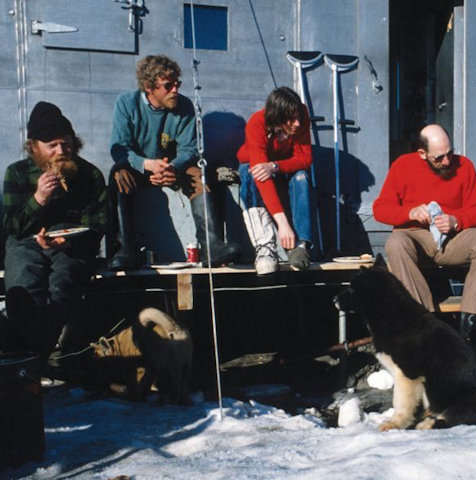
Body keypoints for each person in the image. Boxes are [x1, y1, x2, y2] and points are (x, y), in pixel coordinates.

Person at [108, 54, 241, 270]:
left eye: (177, 83)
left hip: (172, 169)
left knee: (199, 174)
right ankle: (125, 249)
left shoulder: (185, 105)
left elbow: (190, 148)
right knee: (118, 175)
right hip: (139, 169)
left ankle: (211, 246)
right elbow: (120, 147)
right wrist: (147, 164)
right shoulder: (126, 103)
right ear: (149, 87)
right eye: (168, 85)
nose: (175, 90)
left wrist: (173, 167)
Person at [372, 124, 476, 346]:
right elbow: (379, 209)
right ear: (422, 154)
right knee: (396, 242)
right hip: (416, 238)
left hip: (453, 240)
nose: (447, 162)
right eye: (439, 158)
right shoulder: (403, 166)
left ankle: (472, 322)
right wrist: (409, 212)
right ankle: (425, 322)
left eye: (450, 153)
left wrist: (456, 220)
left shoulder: (465, 166)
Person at [2, 101, 107, 358]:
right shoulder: (17, 173)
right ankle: (26, 357)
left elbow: (98, 224)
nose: (61, 151)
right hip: (26, 241)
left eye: (67, 144)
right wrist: (38, 198)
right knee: (23, 289)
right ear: (35, 148)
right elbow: (12, 226)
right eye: (52, 146)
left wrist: (69, 242)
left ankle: (38, 354)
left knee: (64, 287)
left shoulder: (89, 174)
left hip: (71, 245)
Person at [237, 86, 314, 275]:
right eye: (291, 119)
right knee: (249, 172)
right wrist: (283, 224)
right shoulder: (257, 123)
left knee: (301, 176)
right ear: (277, 116)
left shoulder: (302, 115)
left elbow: (305, 158)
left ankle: (300, 245)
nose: (297, 123)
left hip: (280, 166)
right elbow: (261, 177)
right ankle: (265, 247)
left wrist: (275, 166)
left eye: (298, 118)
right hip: (256, 164)